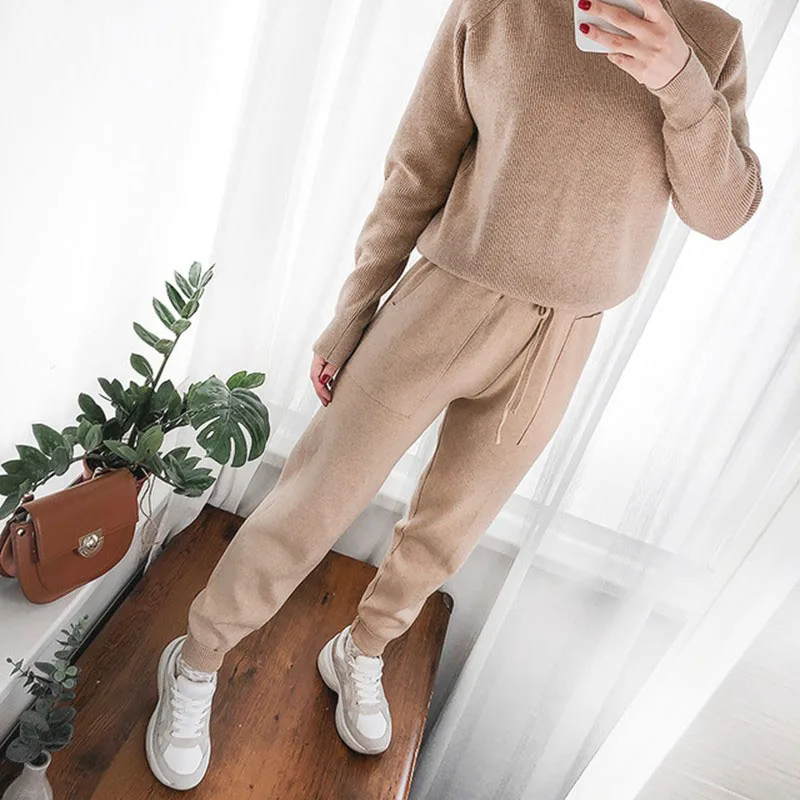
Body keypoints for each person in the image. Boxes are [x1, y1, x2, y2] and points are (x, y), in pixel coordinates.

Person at [145, 0, 762, 789]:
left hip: (563, 336)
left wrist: (681, 81)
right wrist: (353, 311)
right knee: (316, 495)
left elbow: (725, 212)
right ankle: (196, 657)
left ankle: (362, 650)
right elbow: (418, 165)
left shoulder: (711, 39)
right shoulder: (498, 8)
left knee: (447, 530)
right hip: (443, 299)